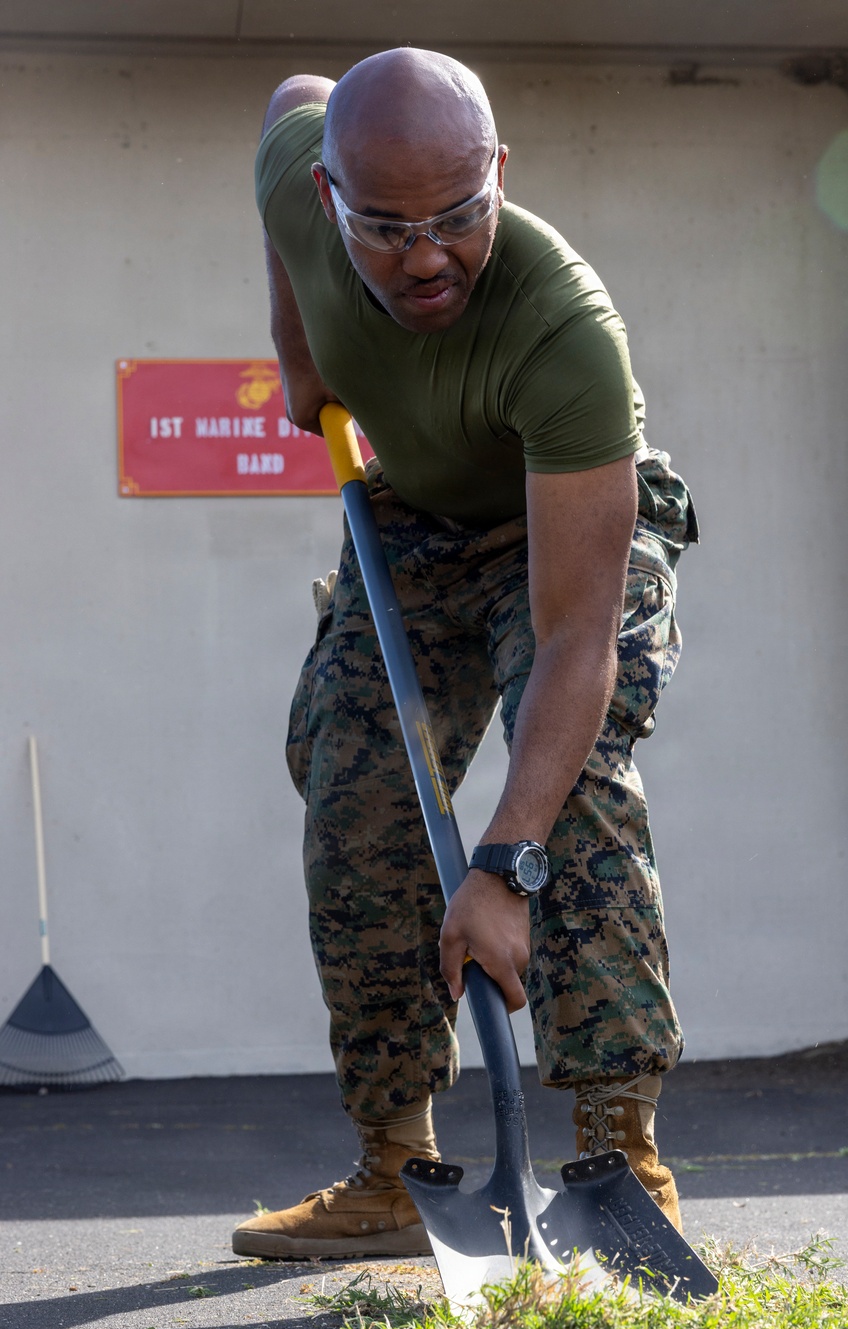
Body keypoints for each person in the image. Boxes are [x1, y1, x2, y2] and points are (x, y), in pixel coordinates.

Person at [232, 48, 698, 1261]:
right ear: (332, 200)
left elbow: (573, 639)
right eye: (388, 229)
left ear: (500, 171)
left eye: (460, 215)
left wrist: (504, 867)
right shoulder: (302, 175)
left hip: (563, 530)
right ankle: (395, 1166)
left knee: (574, 787)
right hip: (419, 519)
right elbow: (291, 102)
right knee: (355, 791)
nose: (428, 255)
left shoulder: (564, 331)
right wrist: (297, 350)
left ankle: (618, 1157)